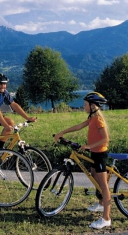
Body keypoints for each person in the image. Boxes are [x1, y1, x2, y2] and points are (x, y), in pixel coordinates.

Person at [54, 91, 111, 230]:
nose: (84, 106)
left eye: (85, 104)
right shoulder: (92, 117)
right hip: (94, 153)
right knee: (93, 175)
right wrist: (63, 132)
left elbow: (105, 139)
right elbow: (79, 126)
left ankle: (106, 219)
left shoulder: (98, 119)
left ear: (93, 106)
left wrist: (88, 146)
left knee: (103, 186)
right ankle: (101, 203)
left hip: (100, 154)